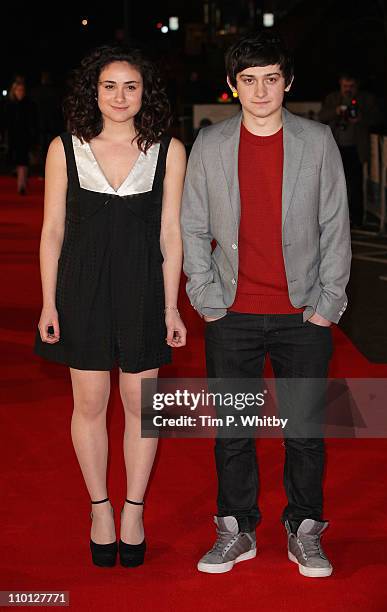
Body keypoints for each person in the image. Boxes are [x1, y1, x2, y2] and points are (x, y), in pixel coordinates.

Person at [181, 31, 351, 577]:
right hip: (231, 313)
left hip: (303, 315)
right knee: (234, 432)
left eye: (271, 79)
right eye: (249, 80)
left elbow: (335, 225)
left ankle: (305, 528)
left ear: (288, 83)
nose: (261, 91)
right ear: (232, 87)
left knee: (305, 431)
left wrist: (328, 303)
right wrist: (206, 299)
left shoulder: (318, 140)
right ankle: (237, 529)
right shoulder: (210, 145)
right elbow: (192, 226)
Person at [34, 45, 187, 568]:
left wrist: (171, 307)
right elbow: (52, 231)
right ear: (92, 92)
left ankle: (133, 510)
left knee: (143, 410)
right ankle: (100, 507)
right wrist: (48, 302)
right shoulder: (65, 148)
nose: (120, 97)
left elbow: (172, 232)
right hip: (83, 290)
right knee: (90, 405)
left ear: (146, 93)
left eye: (131, 86)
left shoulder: (169, 149)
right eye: (109, 86)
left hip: (144, 289)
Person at [318, 72, 380, 227]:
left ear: (357, 86)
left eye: (351, 86)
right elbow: (322, 116)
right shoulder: (333, 98)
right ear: (340, 84)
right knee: (334, 185)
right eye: (345, 86)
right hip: (335, 148)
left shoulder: (366, 99)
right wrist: (336, 111)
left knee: (356, 185)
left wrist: (361, 118)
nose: (348, 89)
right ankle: (336, 218)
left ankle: (357, 219)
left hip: (356, 149)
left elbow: (379, 118)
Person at [4, 79, 38, 194]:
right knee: (19, 161)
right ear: (14, 91)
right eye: (18, 90)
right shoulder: (9, 105)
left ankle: (21, 184)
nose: (20, 92)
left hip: (26, 136)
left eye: (22, 90)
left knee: (23, 161)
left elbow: (34, 121)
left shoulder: (30, 104)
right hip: (14, 136)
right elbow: (6, 123)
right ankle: (22, 182)